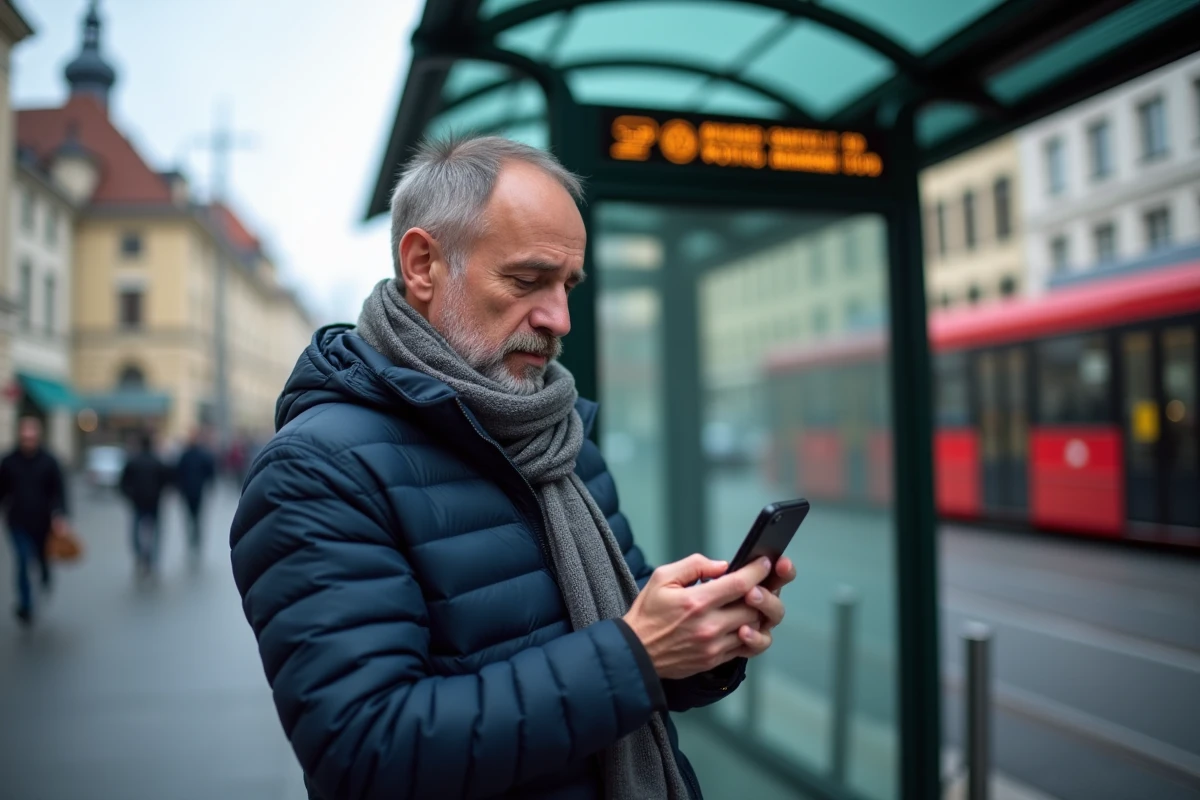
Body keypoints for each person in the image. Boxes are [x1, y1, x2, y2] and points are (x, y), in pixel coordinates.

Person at [230, 135, 797, 800]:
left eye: (568, 285)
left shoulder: (558, 433)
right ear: (423, 265)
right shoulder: (315, 470)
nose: (558, 318)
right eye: (528, 280)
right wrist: (635, 655)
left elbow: (633, 644)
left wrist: (704, 639)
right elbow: (365, 753)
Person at [0, 417, 67, 626]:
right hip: (17, 520)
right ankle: (25, 604)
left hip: (44, 521)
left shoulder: (49, 460)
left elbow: (59, 491)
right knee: (21, 560)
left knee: (40, 557)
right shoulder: (9, 461)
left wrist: (60, 514)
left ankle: (45, 574)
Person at [120, 432, 171, 576]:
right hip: (154, 502)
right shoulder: (157, 461)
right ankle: (152, 559)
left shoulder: (133, 461)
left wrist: (130, 496)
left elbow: (123, 483)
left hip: (138, 502)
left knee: (136, 531)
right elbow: (167, 481)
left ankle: (140, 555)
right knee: (156, 533)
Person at [175, 428, 216, 557]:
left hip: (191, 490)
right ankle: (195, 539)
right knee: (195, 517)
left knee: (193, 517)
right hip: (195, 490)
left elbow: (178, 473)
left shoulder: (187, 455)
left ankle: (194, 539)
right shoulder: (200, 454)